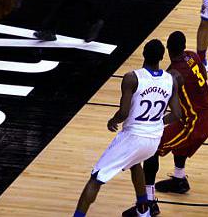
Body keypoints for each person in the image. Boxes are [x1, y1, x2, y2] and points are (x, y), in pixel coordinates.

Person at [73, 39, 181, 217]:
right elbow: (177, 114)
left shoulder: (132, 77)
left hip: (133, 137)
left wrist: (112, 120)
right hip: (153, 140)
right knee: (134, 163)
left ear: (143, 54)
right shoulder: (171, 79)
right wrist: (158, 123)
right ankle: (143, 209)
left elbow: (123, 113)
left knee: (96, 178)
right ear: (162, 57)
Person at [129, 31, 208, 212]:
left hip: (196, 121)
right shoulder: (192, 56)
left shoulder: (173, 75)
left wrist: (156, 122)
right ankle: (179, 180)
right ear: (184, 46)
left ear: (168, 50)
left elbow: (173, 112)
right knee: (177, 140)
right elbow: (205, 77)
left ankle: (149, 202)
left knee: (153, 147)